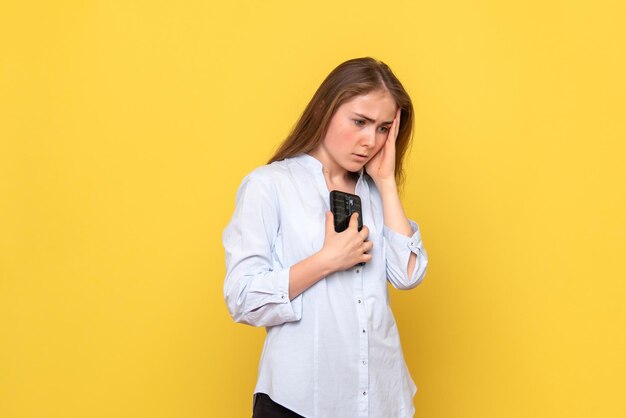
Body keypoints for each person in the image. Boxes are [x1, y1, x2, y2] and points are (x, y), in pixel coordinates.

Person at [223, 57, 428, 418]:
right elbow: (241, 296)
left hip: (380, 400)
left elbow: (408, 275)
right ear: (324, 109)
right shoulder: (270, 186)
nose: (370, 140)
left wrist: (385, 182)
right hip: (298, 402)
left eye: (382, 128)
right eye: (360, 122)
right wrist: (326, 261)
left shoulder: (376, 193)